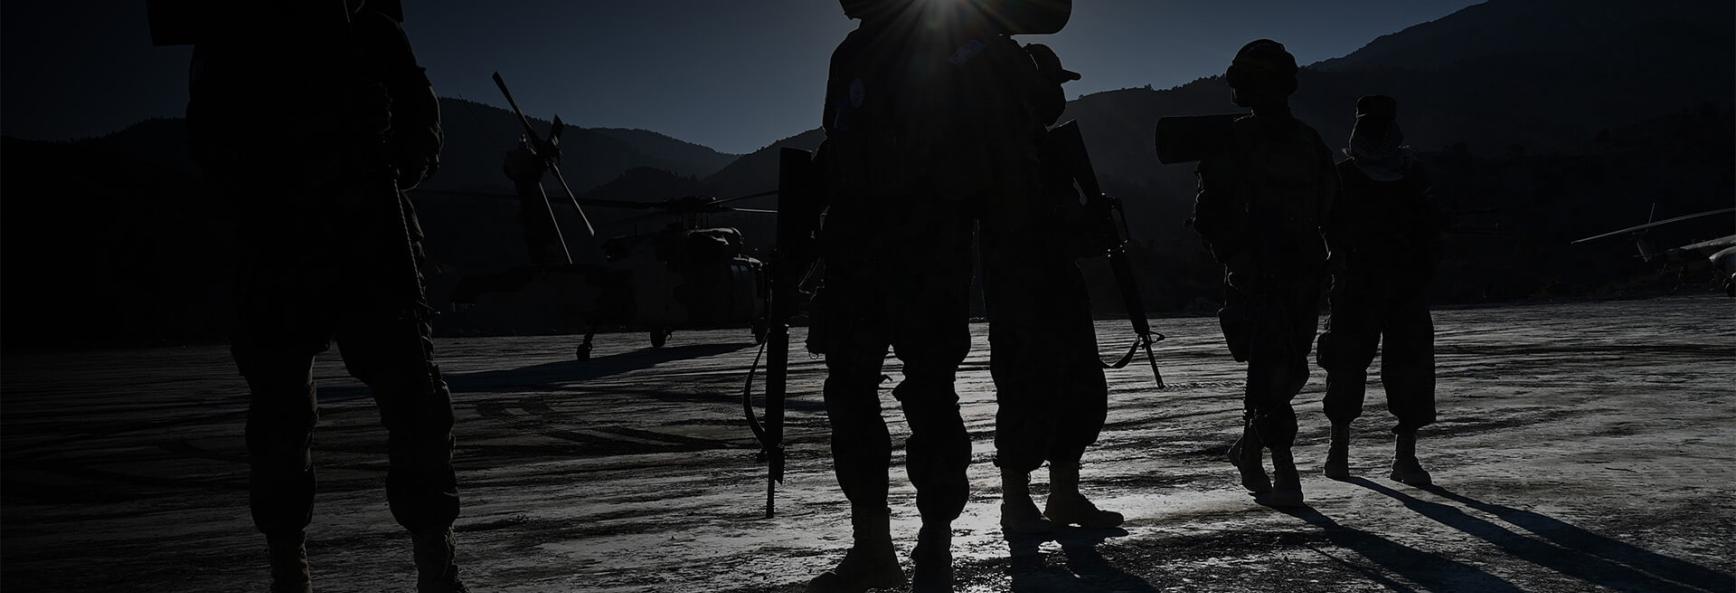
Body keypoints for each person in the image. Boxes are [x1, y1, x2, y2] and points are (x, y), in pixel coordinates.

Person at [185, 2, 465, 591]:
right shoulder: (359, 30)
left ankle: (307, 565)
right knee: (374, 404)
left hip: (306, 239)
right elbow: (420, 129)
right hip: (326, 237)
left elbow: (208, 142)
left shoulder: (250, 34)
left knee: (308, 409)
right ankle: (418, 564)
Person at [978, 42, 1124, 534]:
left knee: (1081, 388)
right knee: (1025, 390)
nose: (1058, 97)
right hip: (1020, 284)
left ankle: (1064, 495)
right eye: (1053, 85)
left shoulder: (1044, 146)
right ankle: (1015, 503)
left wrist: (1093, 224)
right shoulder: (1000, 149)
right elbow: (1023, 222)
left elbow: (1069, 233)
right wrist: (1079, 223)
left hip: (1057, 281)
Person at [1190, 39, 1337, 508]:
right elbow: (1210, 211)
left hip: (1301, 271)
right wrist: (1236, 259)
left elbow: (1330, 207)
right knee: (1273, 369)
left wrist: (1333, 260)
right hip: (1260, 271)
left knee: (1287, 370)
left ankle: (1251, 450)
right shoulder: (1236, 141)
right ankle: (1284, 468)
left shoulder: (1303, 141)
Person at [1317, 95, 1441, 487]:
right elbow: (1325, 226)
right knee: (1344, 367)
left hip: (1405, 287)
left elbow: (1430, 229)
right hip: (1356, 286)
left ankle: (1405, 458)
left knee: (1412, 371)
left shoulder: (1412, 176)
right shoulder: (1342, 177)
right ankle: (1338, 453)